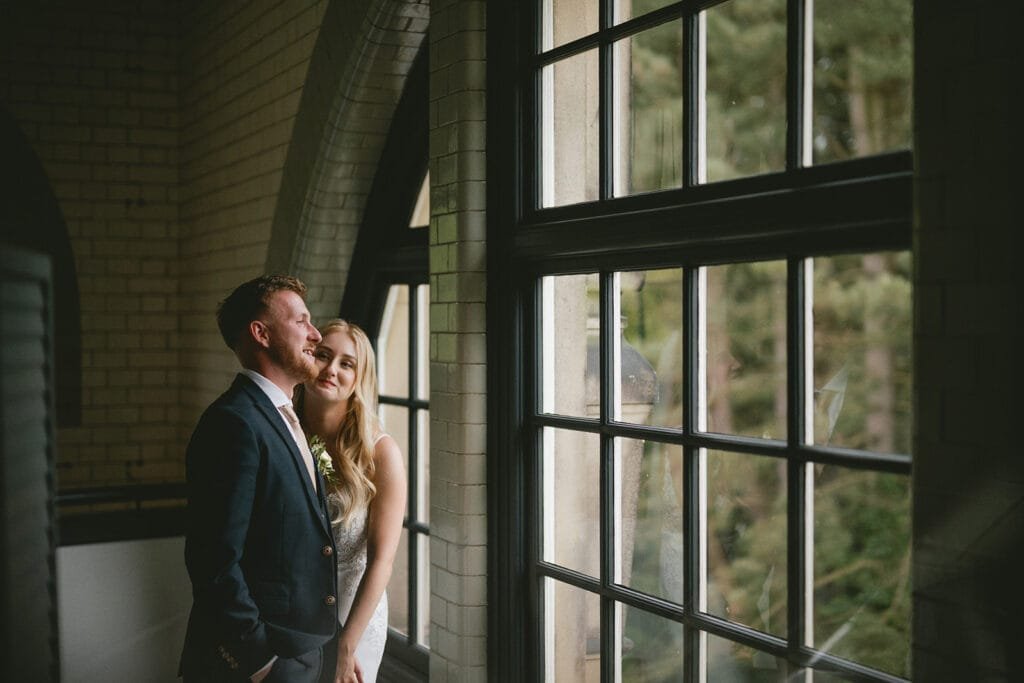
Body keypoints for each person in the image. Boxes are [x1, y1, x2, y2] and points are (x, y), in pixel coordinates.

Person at [179, 275, 339, 683]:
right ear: (261, 333)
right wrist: (260, 660)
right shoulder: (232, 423)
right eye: (301, 321)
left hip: (304, 648)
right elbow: (213, 559)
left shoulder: (285, 417)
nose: (316, 334)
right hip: (262, 661)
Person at [297, 319, 406, 683]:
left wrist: (346, 644)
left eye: (346, 363)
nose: (330, 369)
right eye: (323, 356)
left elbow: (382, 560)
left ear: (360, 377)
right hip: (289, 609)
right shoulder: (282, 432)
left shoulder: (380, 452)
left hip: (354, 612)